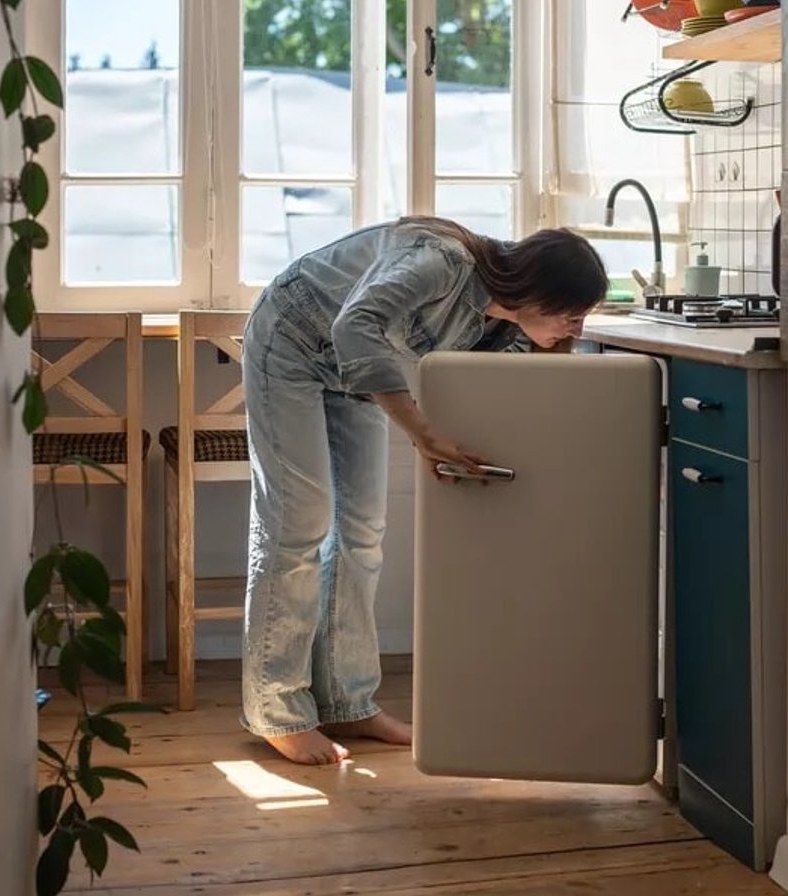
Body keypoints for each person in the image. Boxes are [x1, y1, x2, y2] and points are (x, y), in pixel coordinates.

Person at [240, 216, 608, 765]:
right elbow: (355, 326)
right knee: (299, 524)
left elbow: (470, 389)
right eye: (570, 315)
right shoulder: (441, 262)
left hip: (351, 378)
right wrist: (422, 434)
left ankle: (347, 701)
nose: (575, 330)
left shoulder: (503, 328)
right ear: (537, 291)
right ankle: (277, 709)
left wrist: (441, 445)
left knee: (362, 531)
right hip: (292, 340)